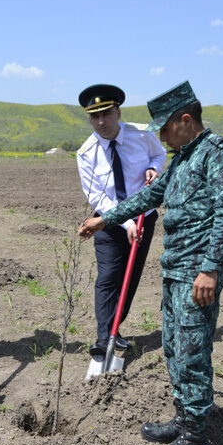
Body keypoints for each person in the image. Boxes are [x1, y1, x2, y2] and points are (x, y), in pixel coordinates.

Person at [78, 81, 223, 445]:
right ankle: (183, 418)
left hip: (196, 275)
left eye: (165, 130)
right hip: (175, 270)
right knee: (173, 347)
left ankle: (197, 437)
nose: (162, 138)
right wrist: (106, 219)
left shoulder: (218, 157)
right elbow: (149, 197)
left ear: (185, 121)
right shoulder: (185, 156)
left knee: (192, 355)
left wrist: (210, 269)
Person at [76, 84, 167, 357]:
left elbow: (159, 154)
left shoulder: (142, 134)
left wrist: (154, 168)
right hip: (107, 221)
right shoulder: (86, 153)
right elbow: (97, 197)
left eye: (106, 114)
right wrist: (124, 223)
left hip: (144, 218)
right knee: (108, 277)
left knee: (131, 275)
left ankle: (116, 328)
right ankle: (104, 338)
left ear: (118, 112)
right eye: (94, 117)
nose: (101, 122)